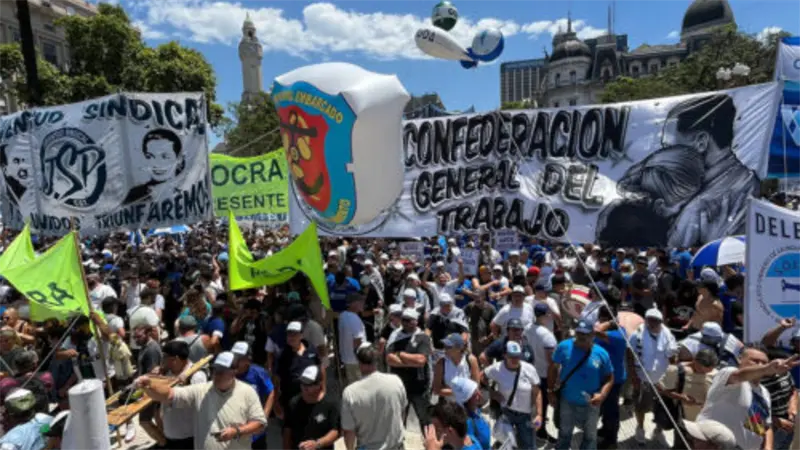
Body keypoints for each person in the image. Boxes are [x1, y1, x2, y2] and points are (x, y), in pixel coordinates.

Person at [137, 351, 268, 450]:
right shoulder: (200, 390)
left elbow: (260, 423)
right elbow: (169, 394)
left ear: (234, 372)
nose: (216, 374)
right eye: (214, 369)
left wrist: (237, 431)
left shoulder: (248, 392)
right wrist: (150, 384)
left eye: (222, 371)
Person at [697, 344, 800, 450]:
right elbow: (738, 375)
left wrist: (768, 447)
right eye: (755, 361)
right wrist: (766, 368)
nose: (760, 364)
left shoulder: (764, 393)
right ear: (739, 359)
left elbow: (765, 425)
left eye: (764, 362)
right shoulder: (727, 374)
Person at [549, 319, 614, 450]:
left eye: (586, 334)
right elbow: (553, 368)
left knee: (590, 437)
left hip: (591, 404)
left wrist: (602, 395)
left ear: (593, 335)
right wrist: (550, 391)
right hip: (567, 400)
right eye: (579, 333)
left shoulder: (602, 353)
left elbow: (610, 377)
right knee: (564, 434)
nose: (582, 337)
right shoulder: (563, 347)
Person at [341, 345, 407, 450]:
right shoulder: (396, 381)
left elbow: (349, 431)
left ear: (359, 363)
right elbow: (402, 413)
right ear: (377, 361)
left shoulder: (350, 392)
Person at [629, 307, 678, 443]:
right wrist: (634, 378)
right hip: (643, 378)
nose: (652, 323)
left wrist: (672, 379)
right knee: (640, 406)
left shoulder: (668, 335)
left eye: (655, 321)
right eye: (649, 320)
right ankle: (640, 428)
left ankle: (659, 430)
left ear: (660, 321)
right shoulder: (636, 335)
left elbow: (673, 357)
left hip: (662, 379)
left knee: (662, 407)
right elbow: (629, 355)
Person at [483, 341, 542, 450]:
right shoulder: (496, 368)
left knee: (529, 446)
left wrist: (539, 414)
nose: (515, 359)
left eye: (517, 356)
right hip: (506, 413)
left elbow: (537, 392)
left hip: (526, 415)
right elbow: (482, 377)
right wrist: (492, 393)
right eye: (511, 356)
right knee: (507, 445)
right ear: (505, 355)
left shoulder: (529, 369)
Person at [386, 308, 433, 433]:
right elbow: (390, 359)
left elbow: (421, 360)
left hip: (420, 387)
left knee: (425, 420)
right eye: (403, 320)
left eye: (408, 320)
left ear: (416, 322)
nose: (405, 323)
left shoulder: (423, 338)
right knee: (399, 420)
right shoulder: (395, 335)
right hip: (400, 385)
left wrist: (401, 354)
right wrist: (410, 363)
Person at [160, 340, 208, 450]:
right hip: (170, 434)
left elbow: (200, 404)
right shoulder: (167, 373)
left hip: (188, 436)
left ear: (175, 359)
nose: (162, 361)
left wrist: (184, 387)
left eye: (165, 357)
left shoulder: (197, 376)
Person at [283, 366, 340, 450]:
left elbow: (335, 431)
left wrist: (317, 444)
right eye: (302, 383)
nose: (304, 387)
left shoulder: (331, 403)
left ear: (319, 384)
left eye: (309, 384)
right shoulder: (293, 403)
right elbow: (287, 430)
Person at [123, 128, 185, 205]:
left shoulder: (185, 191)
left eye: (164, 156)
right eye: (150, 156)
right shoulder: (135, 195)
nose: (156, 164)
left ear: (179, 159)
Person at [231, 342, 275, 450]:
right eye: (234, 356)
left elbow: (271, 392)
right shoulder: (227, 372)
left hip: (254, 426)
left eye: (240, 358)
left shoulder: (258, 373)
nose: (236, 361)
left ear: (248, 360)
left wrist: (264, 416)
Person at [525, 303, 558, 444]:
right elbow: (552, 362)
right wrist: (554, 383)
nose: (550, 316)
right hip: (543, 376)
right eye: (548, 314)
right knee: (541, 409)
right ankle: (539, 431)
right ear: (544, 316)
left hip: (529, 373)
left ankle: (532, 429)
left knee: (532, 405)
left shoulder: (526, 328)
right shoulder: (547, 336)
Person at [275, 321, 321, 417]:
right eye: (289, 334)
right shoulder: (282, 355)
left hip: (311, 396)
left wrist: (323, 390)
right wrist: (276, 403)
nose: (291, 337)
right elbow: (276, 380)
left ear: (301, 335)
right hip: (290, 399)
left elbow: (321, 370)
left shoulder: (311, 349)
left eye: (294, 334)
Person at [432, 333, 480, 399]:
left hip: (467, 405)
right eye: (445, 346)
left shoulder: (471, 360)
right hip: (448, 406)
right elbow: (436, 390)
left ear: (459, 348)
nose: (445, 349)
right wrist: (460, 391)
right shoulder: (441, 363)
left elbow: (475, 387)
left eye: (449, 347)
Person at [449, 377, 491, 450]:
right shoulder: (467, 423)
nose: (480, 395)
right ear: (467, 400)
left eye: (478, 390)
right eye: (475, 395)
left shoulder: (477, 410)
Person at [338, 294, 366, 386]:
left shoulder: (342, 315)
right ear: (353, 303)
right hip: (355, 361)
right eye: (361, 302)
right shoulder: (354, 318)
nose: (363, 304)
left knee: (352, 385)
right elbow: (357, 341)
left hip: (347, 358)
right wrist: (362, 360)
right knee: (360, 386)